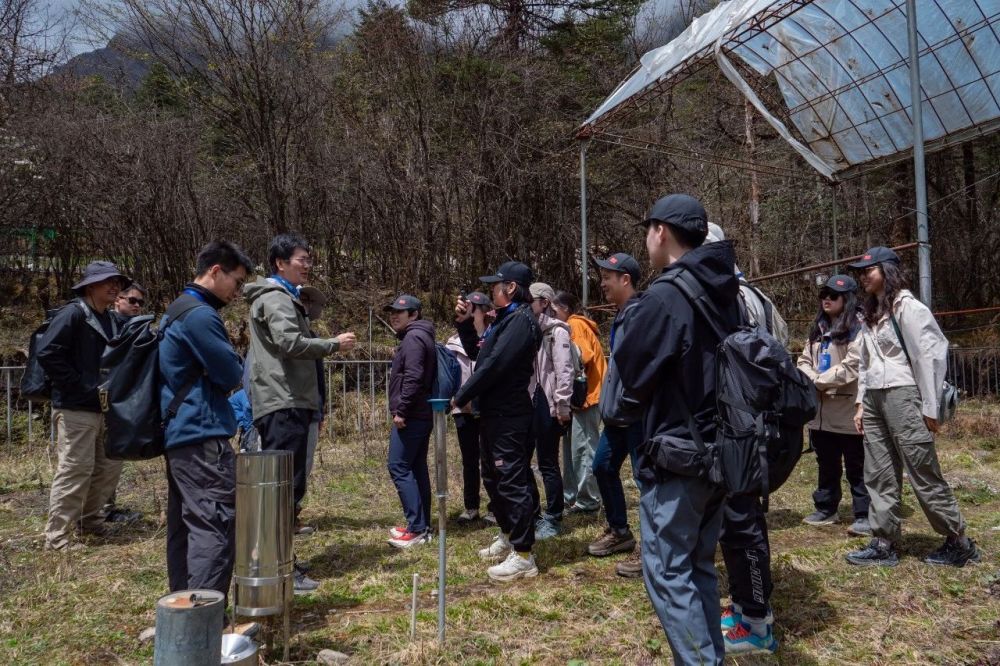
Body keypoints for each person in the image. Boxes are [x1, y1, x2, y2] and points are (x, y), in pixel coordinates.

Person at [614, 194, 740, 665]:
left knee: (666, 571)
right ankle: (711, 656)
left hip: (678, 455)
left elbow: (631, 371)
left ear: (661, 232)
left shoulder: (665, 296)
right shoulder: (724, 291)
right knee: (699, 566)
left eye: (648, 230)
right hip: (721, 451)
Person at [845, 247, 980, 568]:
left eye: (870, 270)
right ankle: (883, 541)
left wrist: (930, 407)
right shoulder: (871, 312)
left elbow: (930, 355)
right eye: (860, 271)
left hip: (905, 394)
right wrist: (862, 402)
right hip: (876, 396)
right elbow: (865, 363)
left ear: (888, 271)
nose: (864, 276)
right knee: (877, 470)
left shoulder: (909, 308)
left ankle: (958, 541)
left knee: (921, 467)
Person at [244, 234, 356, 592]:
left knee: (288, 485)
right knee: (283, 488)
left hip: (292, 401)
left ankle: (280, 562)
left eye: (309, 259)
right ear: (280, 263)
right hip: (284, 401)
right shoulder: (276, 299)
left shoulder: (284, 298)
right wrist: (331, 345)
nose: (308, 265)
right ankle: (278, 570)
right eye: (301, 259)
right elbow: (290, 343)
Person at [703, 222, 785, 656]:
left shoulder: (736, 297)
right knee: (737, 520)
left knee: (741, 521)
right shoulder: (752, 294)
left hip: (745, 428)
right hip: (746, 424)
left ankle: (756, 623)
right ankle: (744, 605)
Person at [158, 240, 251, 598]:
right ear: (215, 271)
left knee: (187, 525)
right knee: (215, 523)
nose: (238, 291)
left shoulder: (175, 311)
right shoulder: (199, 315)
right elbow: (231, 373)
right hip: (201, 431)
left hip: (181, 433)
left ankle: (182, 611)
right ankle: (204, 618)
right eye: (237, 282)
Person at [453, 261, 542, 582]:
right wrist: (464, 324)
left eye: (496, 285)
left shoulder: (520, 322)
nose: (491, 290)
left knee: (511, 480)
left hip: (510, 415)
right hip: (491, 414)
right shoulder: (504, 321)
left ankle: (523, 555)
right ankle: (507, 534)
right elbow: (479, 355)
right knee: (491, 476)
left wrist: (461, 395)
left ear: (511, 288)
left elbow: (495, 367)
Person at [38, 261, 128, 551]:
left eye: (117, 281)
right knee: (75, 469)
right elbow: (48, 352)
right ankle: (57, 537)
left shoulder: (112, 318)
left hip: (104, 408)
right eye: (107, 282)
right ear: (90, 286)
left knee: (108, 467)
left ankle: (90, 522)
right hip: (75, 406)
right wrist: (78, 385)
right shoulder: (73, 313)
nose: (114, 286)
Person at [797, 275, 870, 535]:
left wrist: (818, 381)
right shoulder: (818, 327)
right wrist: (813, 378)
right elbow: (803, 360)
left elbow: (853, 366)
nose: (826, 299)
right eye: (823, 295)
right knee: (826, 463)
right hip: (820, 413)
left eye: (833, 295)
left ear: (847, 299)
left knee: (857, 466)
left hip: (847, 410)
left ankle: (864, 514)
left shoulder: (858, 328)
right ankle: (826, 508)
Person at [590, 254, 644, 572]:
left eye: (608, 276)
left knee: (644, 482)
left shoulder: (638, 316)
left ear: (625, 279)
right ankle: (620, 532)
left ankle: (652, 552)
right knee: (603, 467)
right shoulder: (622, 315)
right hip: (617, 416)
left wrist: (629, 402)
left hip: (635, 415)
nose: (602, 282)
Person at [384, 295, 437, 548]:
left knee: (398, 465)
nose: (394, 316)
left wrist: (402, 410)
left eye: (400, 313)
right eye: (392, 312)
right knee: (416, 468)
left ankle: (416, 528)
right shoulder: (417, 336)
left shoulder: (414, 338)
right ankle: (422, 526)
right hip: (419, 413)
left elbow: (414, 377)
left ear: (414, 315)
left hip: (412, 414)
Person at [551, 291, 606, 514]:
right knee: (573, 450)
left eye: (554, 311)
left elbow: (584, 355)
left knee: (584, 450)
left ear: (565, 309)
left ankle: (589, 501)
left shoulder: (575, 325)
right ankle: (572, 496)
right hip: (578, 400)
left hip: (588, 398)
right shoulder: (570, 326)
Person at [528, 282, 573, 540]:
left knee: (547, 462)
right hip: (530, 400)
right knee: (525, 460)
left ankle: (554, 517)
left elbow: (564, 370)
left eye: (531, 300)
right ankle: (533, 512)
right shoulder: (529, 330)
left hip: (550, 403)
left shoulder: (557, 332)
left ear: (544, 302)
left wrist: (562, 405)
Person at [104, 281, 149, 523]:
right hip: (100, 397)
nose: (137, 306)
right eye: (132, 300)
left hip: (121, 400)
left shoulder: (135, 327)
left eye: (141, 303)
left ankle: (106, 507)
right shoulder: (106, 324)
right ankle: (93, 511)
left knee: (112, 457)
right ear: (117, 299)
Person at [447, 291, 492, 523]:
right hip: (462, 407)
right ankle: (471, 506)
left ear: (485, 312)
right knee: (469, 459)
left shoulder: (494, 337)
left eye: (474, 308)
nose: (469, 311)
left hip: (487, 407)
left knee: (490, 459)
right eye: (467, 307)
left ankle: (494, 508)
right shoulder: (454, 342)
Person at [298, 285, 328, 486]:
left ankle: (294, 508)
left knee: (305, 462)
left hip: (311, 410)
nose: (305, 305)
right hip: (282, 410)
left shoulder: (314, 337)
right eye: (301, 300)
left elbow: (319, 378)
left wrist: (320, 410)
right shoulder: (272, 332)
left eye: (308, 301)